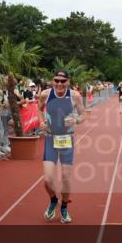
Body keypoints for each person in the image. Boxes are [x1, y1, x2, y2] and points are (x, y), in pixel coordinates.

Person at [38, 69, 86, 224]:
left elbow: (83, 114)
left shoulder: (75, 96)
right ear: (53, 81)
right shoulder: (45, 94)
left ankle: (64, 207)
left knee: (66, 178)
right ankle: (53, 200)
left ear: (68, 82)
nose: (59, 84)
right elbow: (39, 109)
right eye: (56, 80)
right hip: (51, 139)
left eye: (62, 81)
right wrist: (41, 122)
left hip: (66, 140)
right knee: (48, 179)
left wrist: (76, 121)